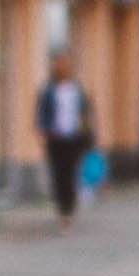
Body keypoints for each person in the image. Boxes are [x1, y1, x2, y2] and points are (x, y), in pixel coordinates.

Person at [35, 47, 93, 228]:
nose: (62, 66)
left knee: (70, 172)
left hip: (74, 138)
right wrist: (43, 129)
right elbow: (41, 112)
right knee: (58, 174)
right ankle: (62, 208)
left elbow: (86, 113)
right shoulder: (49, 90)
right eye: (59, 63)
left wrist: (88, 133)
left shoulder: (77, 89)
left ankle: (69, 208)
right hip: (56, 138)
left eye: (65, 63)